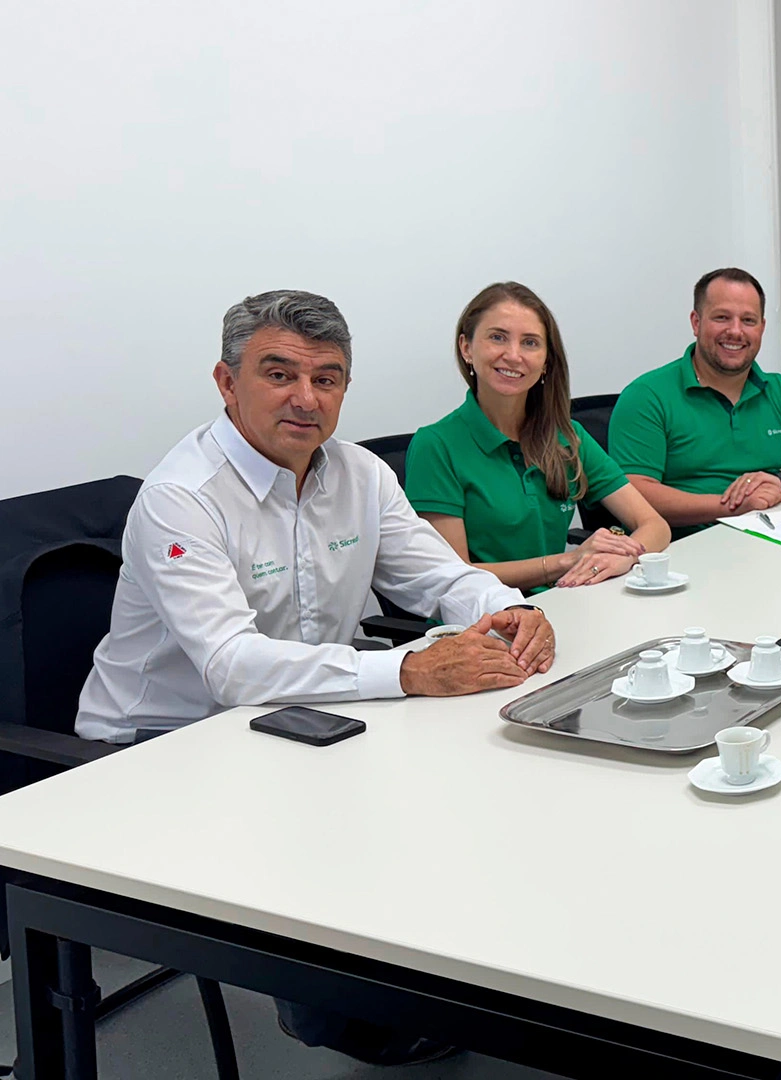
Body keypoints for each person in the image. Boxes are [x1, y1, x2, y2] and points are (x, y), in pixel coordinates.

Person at [73, 289, 556, 1066]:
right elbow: (231, 666)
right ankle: (348, 1011)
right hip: (159, 747)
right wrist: (407, 669)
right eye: (279, 374)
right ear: (227, 384)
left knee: (473, 783)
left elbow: (442, 578)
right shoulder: (180, 499)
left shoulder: (359, 475)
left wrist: (509, 610)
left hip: (302, 723)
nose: (306, 399)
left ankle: (438, 990)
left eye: (327, 379)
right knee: (341, 838)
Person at [405, 282, 670, 591]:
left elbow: (655, 526)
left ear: (546, 362)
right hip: (483, 623)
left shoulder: (567, 438)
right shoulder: (436, 446)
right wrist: (566, 562)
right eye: (497, 337)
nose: (514, 355)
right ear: (466, 348)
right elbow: (456, 575)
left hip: (562, 604)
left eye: (530, 343)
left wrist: (623, 557)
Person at [607, 268, 781, 533]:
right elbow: (634, 494)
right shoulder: (647, 396)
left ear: (762, 327)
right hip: (681, 550)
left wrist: (777, 480)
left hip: (765, 538)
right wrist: (732, 506)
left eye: (748, 320)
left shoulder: (779, 391)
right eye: (722, 317)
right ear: (696, 322)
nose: (736, 331)